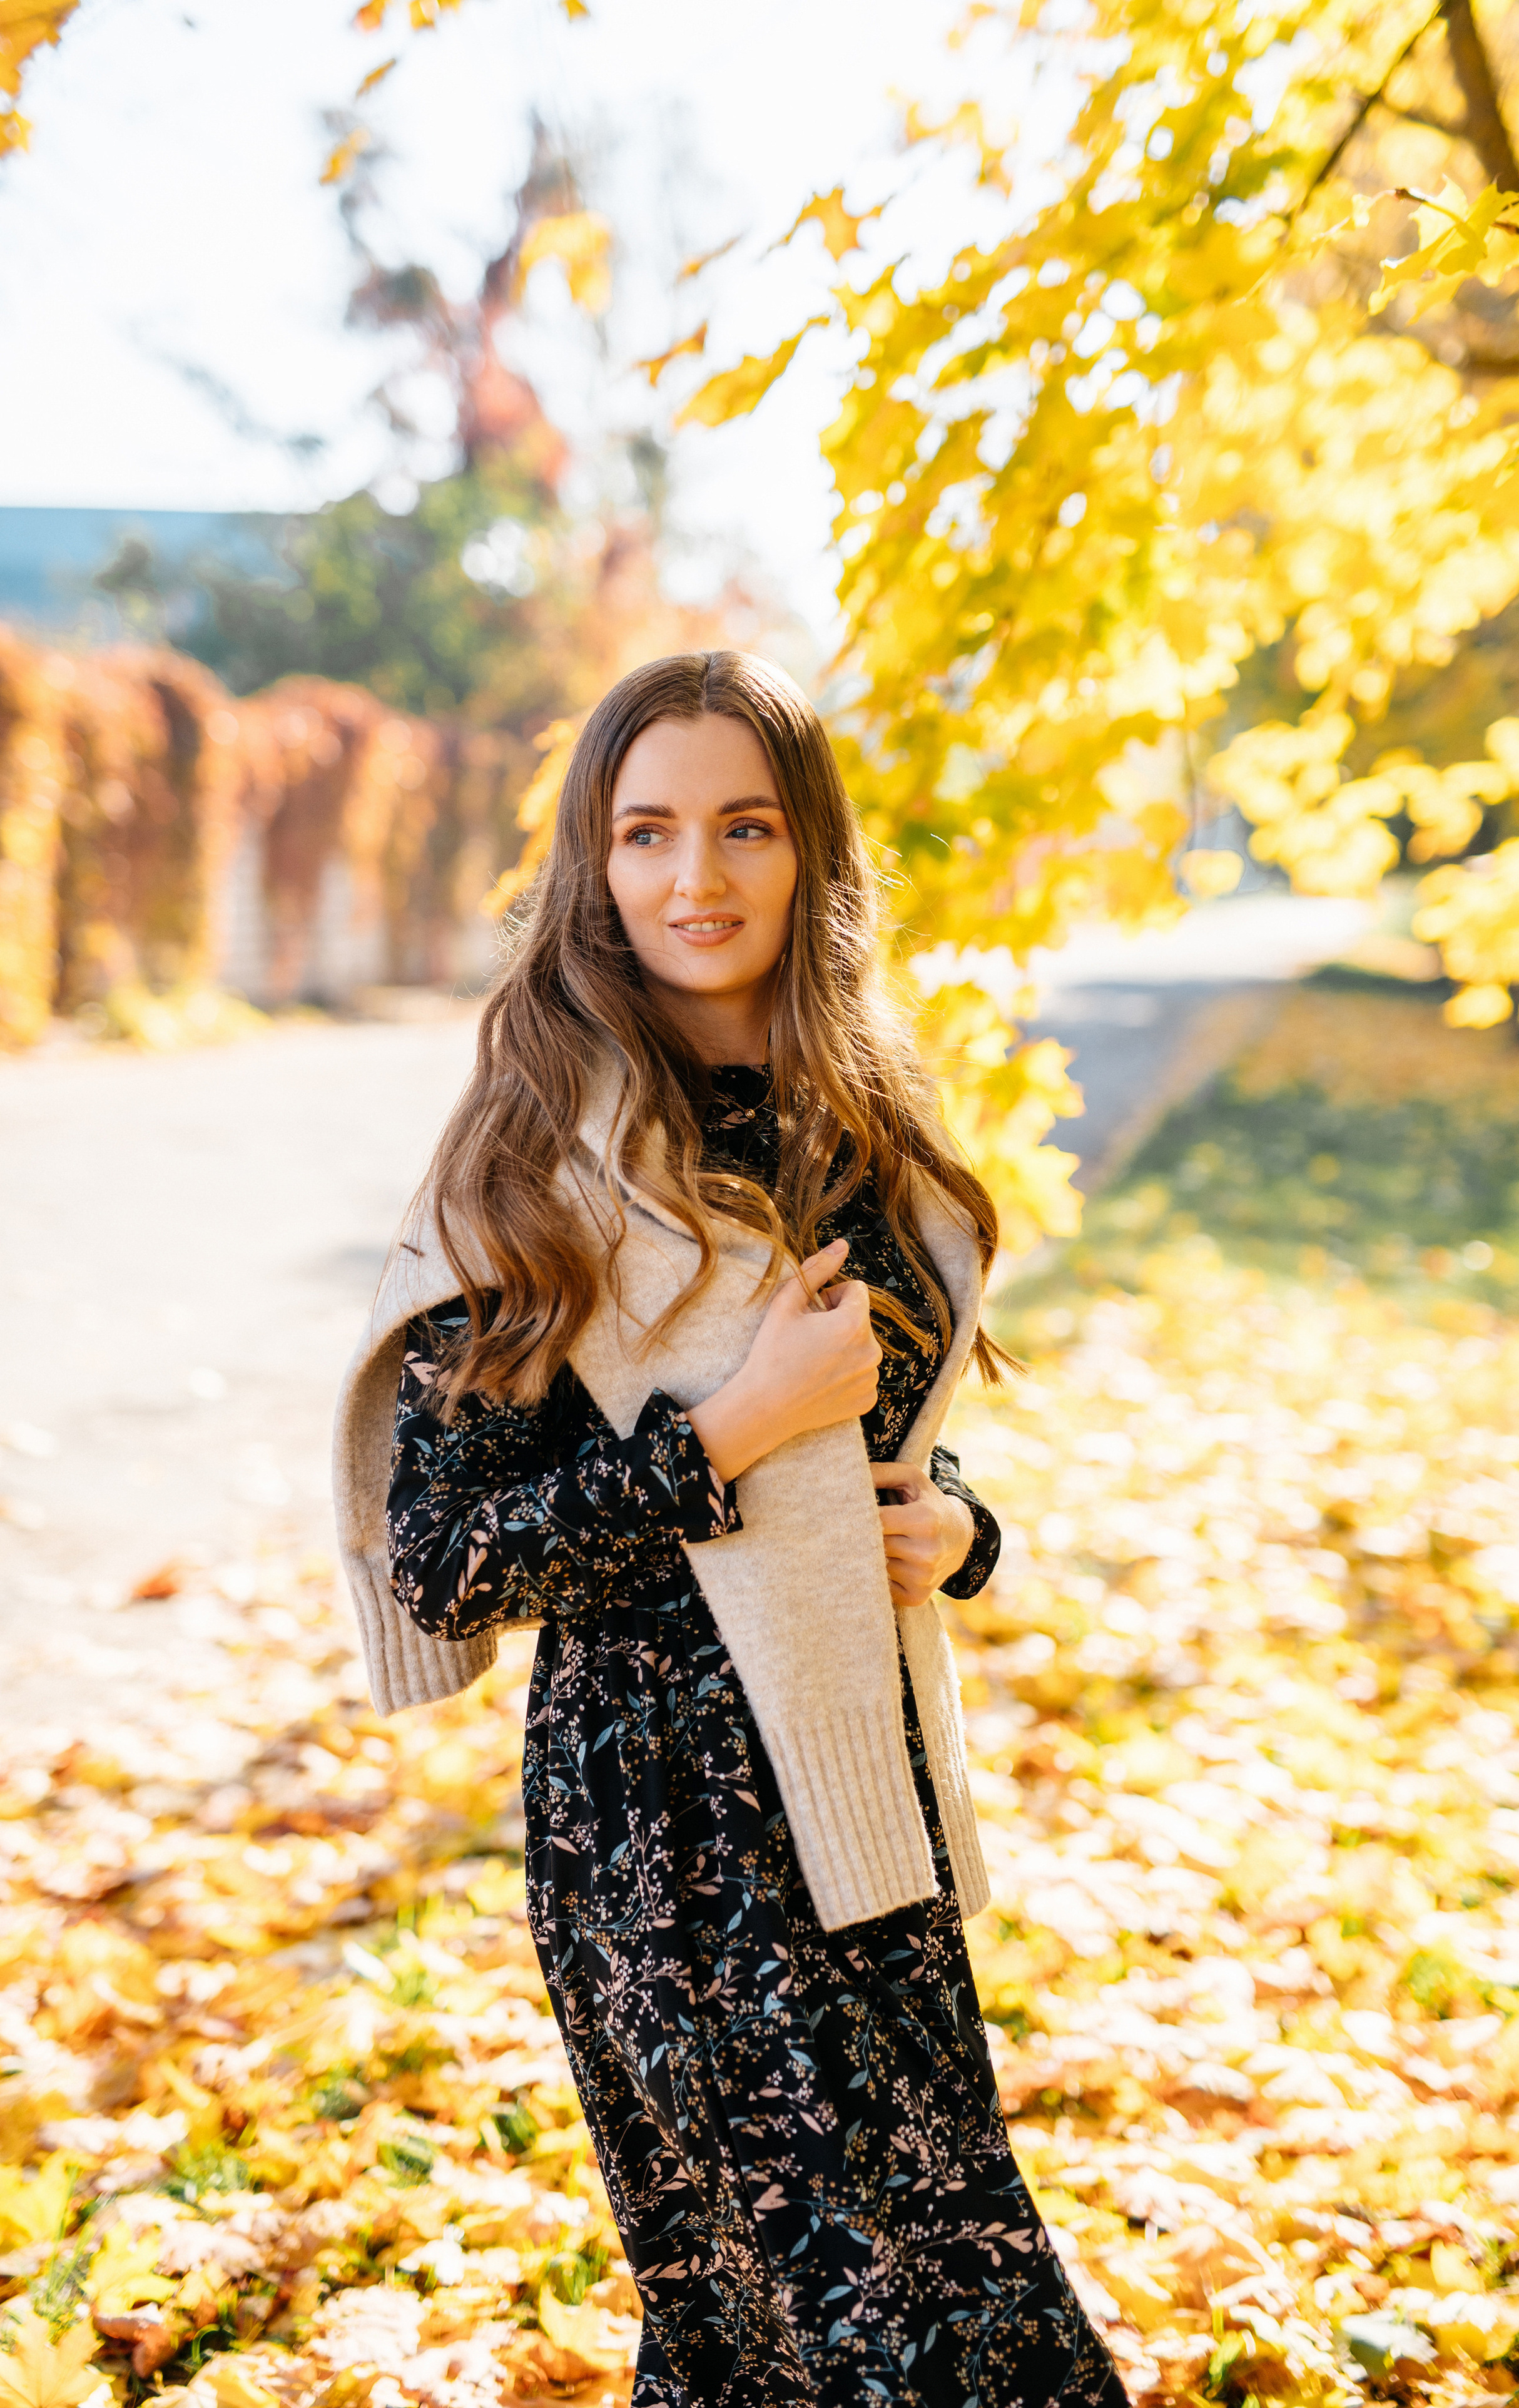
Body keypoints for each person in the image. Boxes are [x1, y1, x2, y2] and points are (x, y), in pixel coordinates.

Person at [333, 651, 1124, 2408]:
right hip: (667, 1851)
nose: (698, 877)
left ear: (807, 853)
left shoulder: (868, 1126)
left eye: (746, 827)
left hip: (862, 1810)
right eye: (650, 831)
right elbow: (446, 1553)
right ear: (595, 869)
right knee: (845, 2337)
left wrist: (958, 1532)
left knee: (874, 2327)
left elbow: (897, 1445)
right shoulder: (534, 1160)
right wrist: (734, 1431)